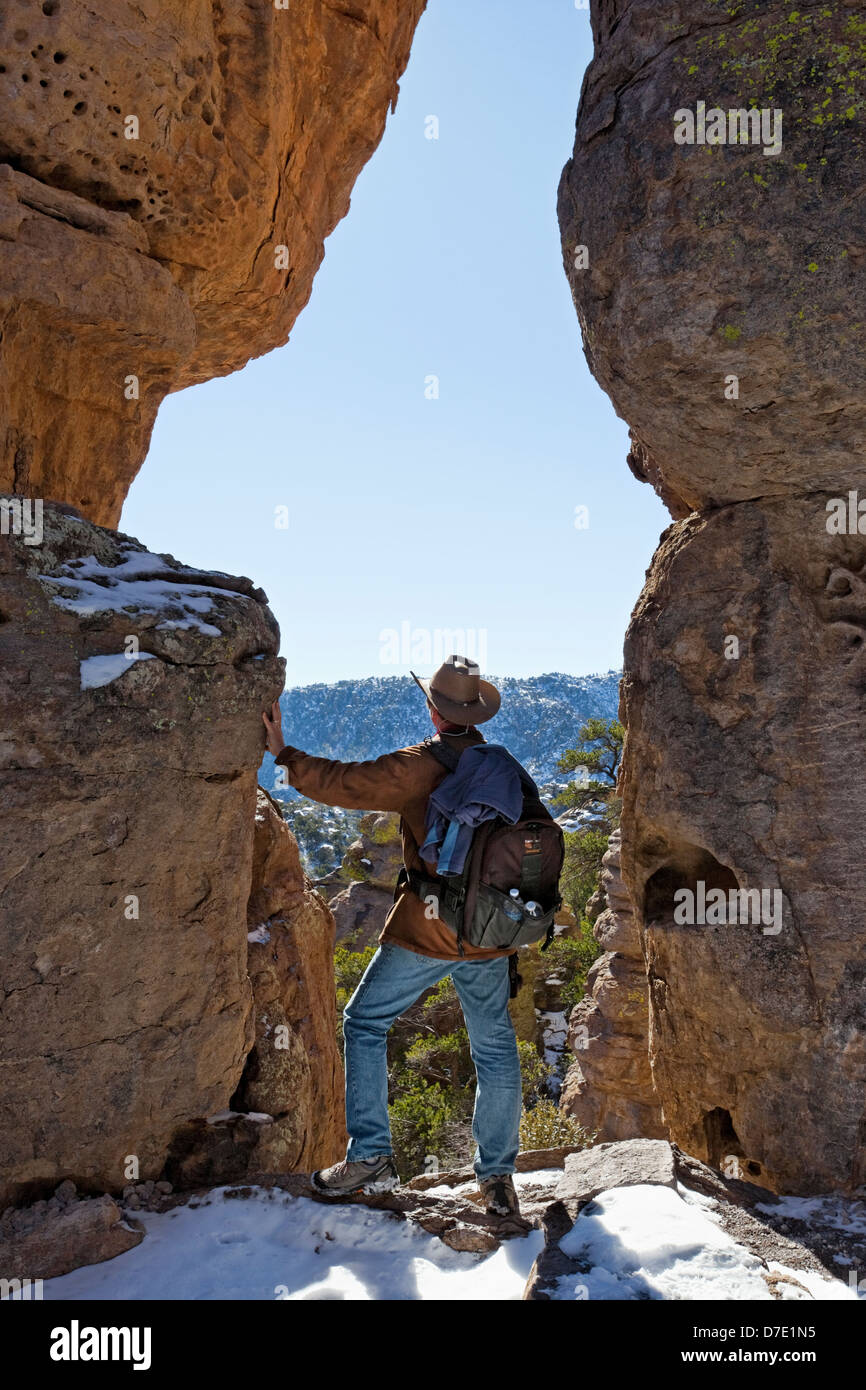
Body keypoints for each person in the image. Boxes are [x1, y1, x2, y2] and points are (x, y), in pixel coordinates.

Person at [262, 655, 522, 1218]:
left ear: (434, 711)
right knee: (495, 1049)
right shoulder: (503, 764)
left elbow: (346, 783)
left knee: (365, 1021)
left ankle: (373, 1155)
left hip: (431, 925)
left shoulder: (419, 765)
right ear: (474, 714)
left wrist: (284, 755)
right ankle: (498, 1180)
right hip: (492, 928)